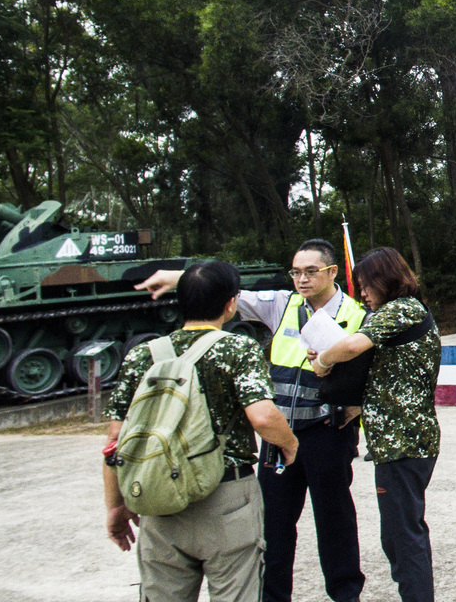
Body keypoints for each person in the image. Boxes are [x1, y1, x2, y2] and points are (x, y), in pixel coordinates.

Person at [138, 241, 368, 602]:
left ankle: (345, 594)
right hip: (280, 437)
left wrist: (357, 408)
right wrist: (177, 276)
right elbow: (224, 291)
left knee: (335, 522)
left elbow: (371, 373)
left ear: (332, 272)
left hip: (327, 434)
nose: (302, 280)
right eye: (296, 272)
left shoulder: (357, 314)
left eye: (311, 272)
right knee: (273, 526)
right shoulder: (282, 304)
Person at [105, 261, 300, 602]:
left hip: (158, 496)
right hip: (226, 496)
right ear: (230, 304)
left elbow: (114, 442)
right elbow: (264, 418)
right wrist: (290, 443)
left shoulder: (141, 356)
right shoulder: (237, 349)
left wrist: (116, 506)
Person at [313, 248, 441, 602]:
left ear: (385, 280)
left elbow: (353, 346)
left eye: (366, 285)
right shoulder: (408, 313)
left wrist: (323, 361)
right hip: (403, 442)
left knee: (403, 537)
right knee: (400, 534)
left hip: (403, 444)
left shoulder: (400, 310)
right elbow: (386, 377)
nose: (363, 294)